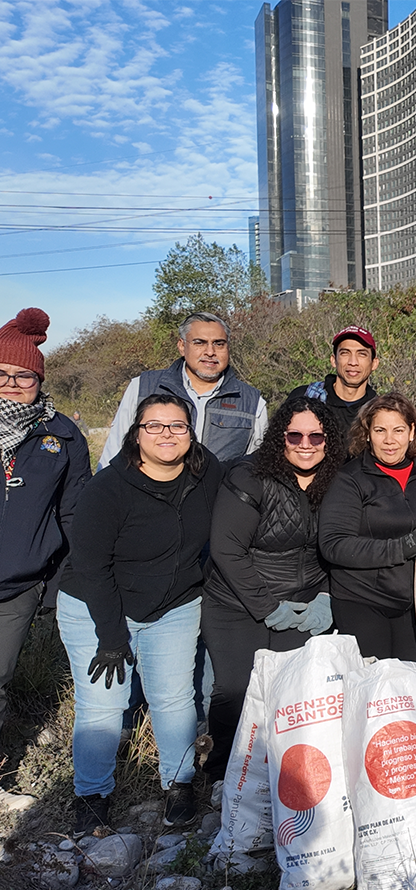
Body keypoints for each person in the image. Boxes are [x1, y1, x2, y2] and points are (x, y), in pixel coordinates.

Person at [58, 394, 223, 835]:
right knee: (103, 704)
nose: (167, 434)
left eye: (177, 426)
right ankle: (92, 796)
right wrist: (112, 637)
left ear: (191, 433)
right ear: (136, 434)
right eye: (154, 426)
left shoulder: (206, 474)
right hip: (97, 605)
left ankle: (179, 784)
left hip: (174, 605)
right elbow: (91, 566)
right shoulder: (108, 489)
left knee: (174, 698)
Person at [200, 396, 340, 781]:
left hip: (305, 602)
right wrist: (267, 607)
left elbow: (341, 546)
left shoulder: (338, 480)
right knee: (235, 689)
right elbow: (227, 549)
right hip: (236, 601)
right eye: (295, 435)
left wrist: (327, 595)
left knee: (292, 690)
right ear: (280, 436)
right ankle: (222, 773)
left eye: (316, 436)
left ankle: (280, 776)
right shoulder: (250, 476)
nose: (306, 445)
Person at [0, 309, 90, 813]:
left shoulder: (64, 435)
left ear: (39, 381)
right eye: (2, 374)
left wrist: (58, 585)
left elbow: (74, 513)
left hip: (17, 585)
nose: (12, 385)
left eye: (24, 376)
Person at [318, 393, 416, 663]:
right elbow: (335, 544)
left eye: (398, 430)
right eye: (380, 430)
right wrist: (401, 548)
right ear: (367, 434)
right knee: (372, 683)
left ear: (412, 432)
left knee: (409, 682)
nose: (389, 440)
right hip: (362, 601)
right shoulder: (349, 479)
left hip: (413, 603)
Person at [98, 312, 267, 467]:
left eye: (219, 344)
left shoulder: (252, 402)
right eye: (199, 343)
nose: (210, 352)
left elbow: (255, 467)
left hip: (219, 491)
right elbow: (114, 453)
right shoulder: (143, 387)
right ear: (181, 346)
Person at [287, 325, 380, 452]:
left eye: (362, 354)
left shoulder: (378, 411)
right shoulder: (304, 397)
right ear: (333, 360)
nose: (353, 362)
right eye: (345, 353)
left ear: (374, 363)